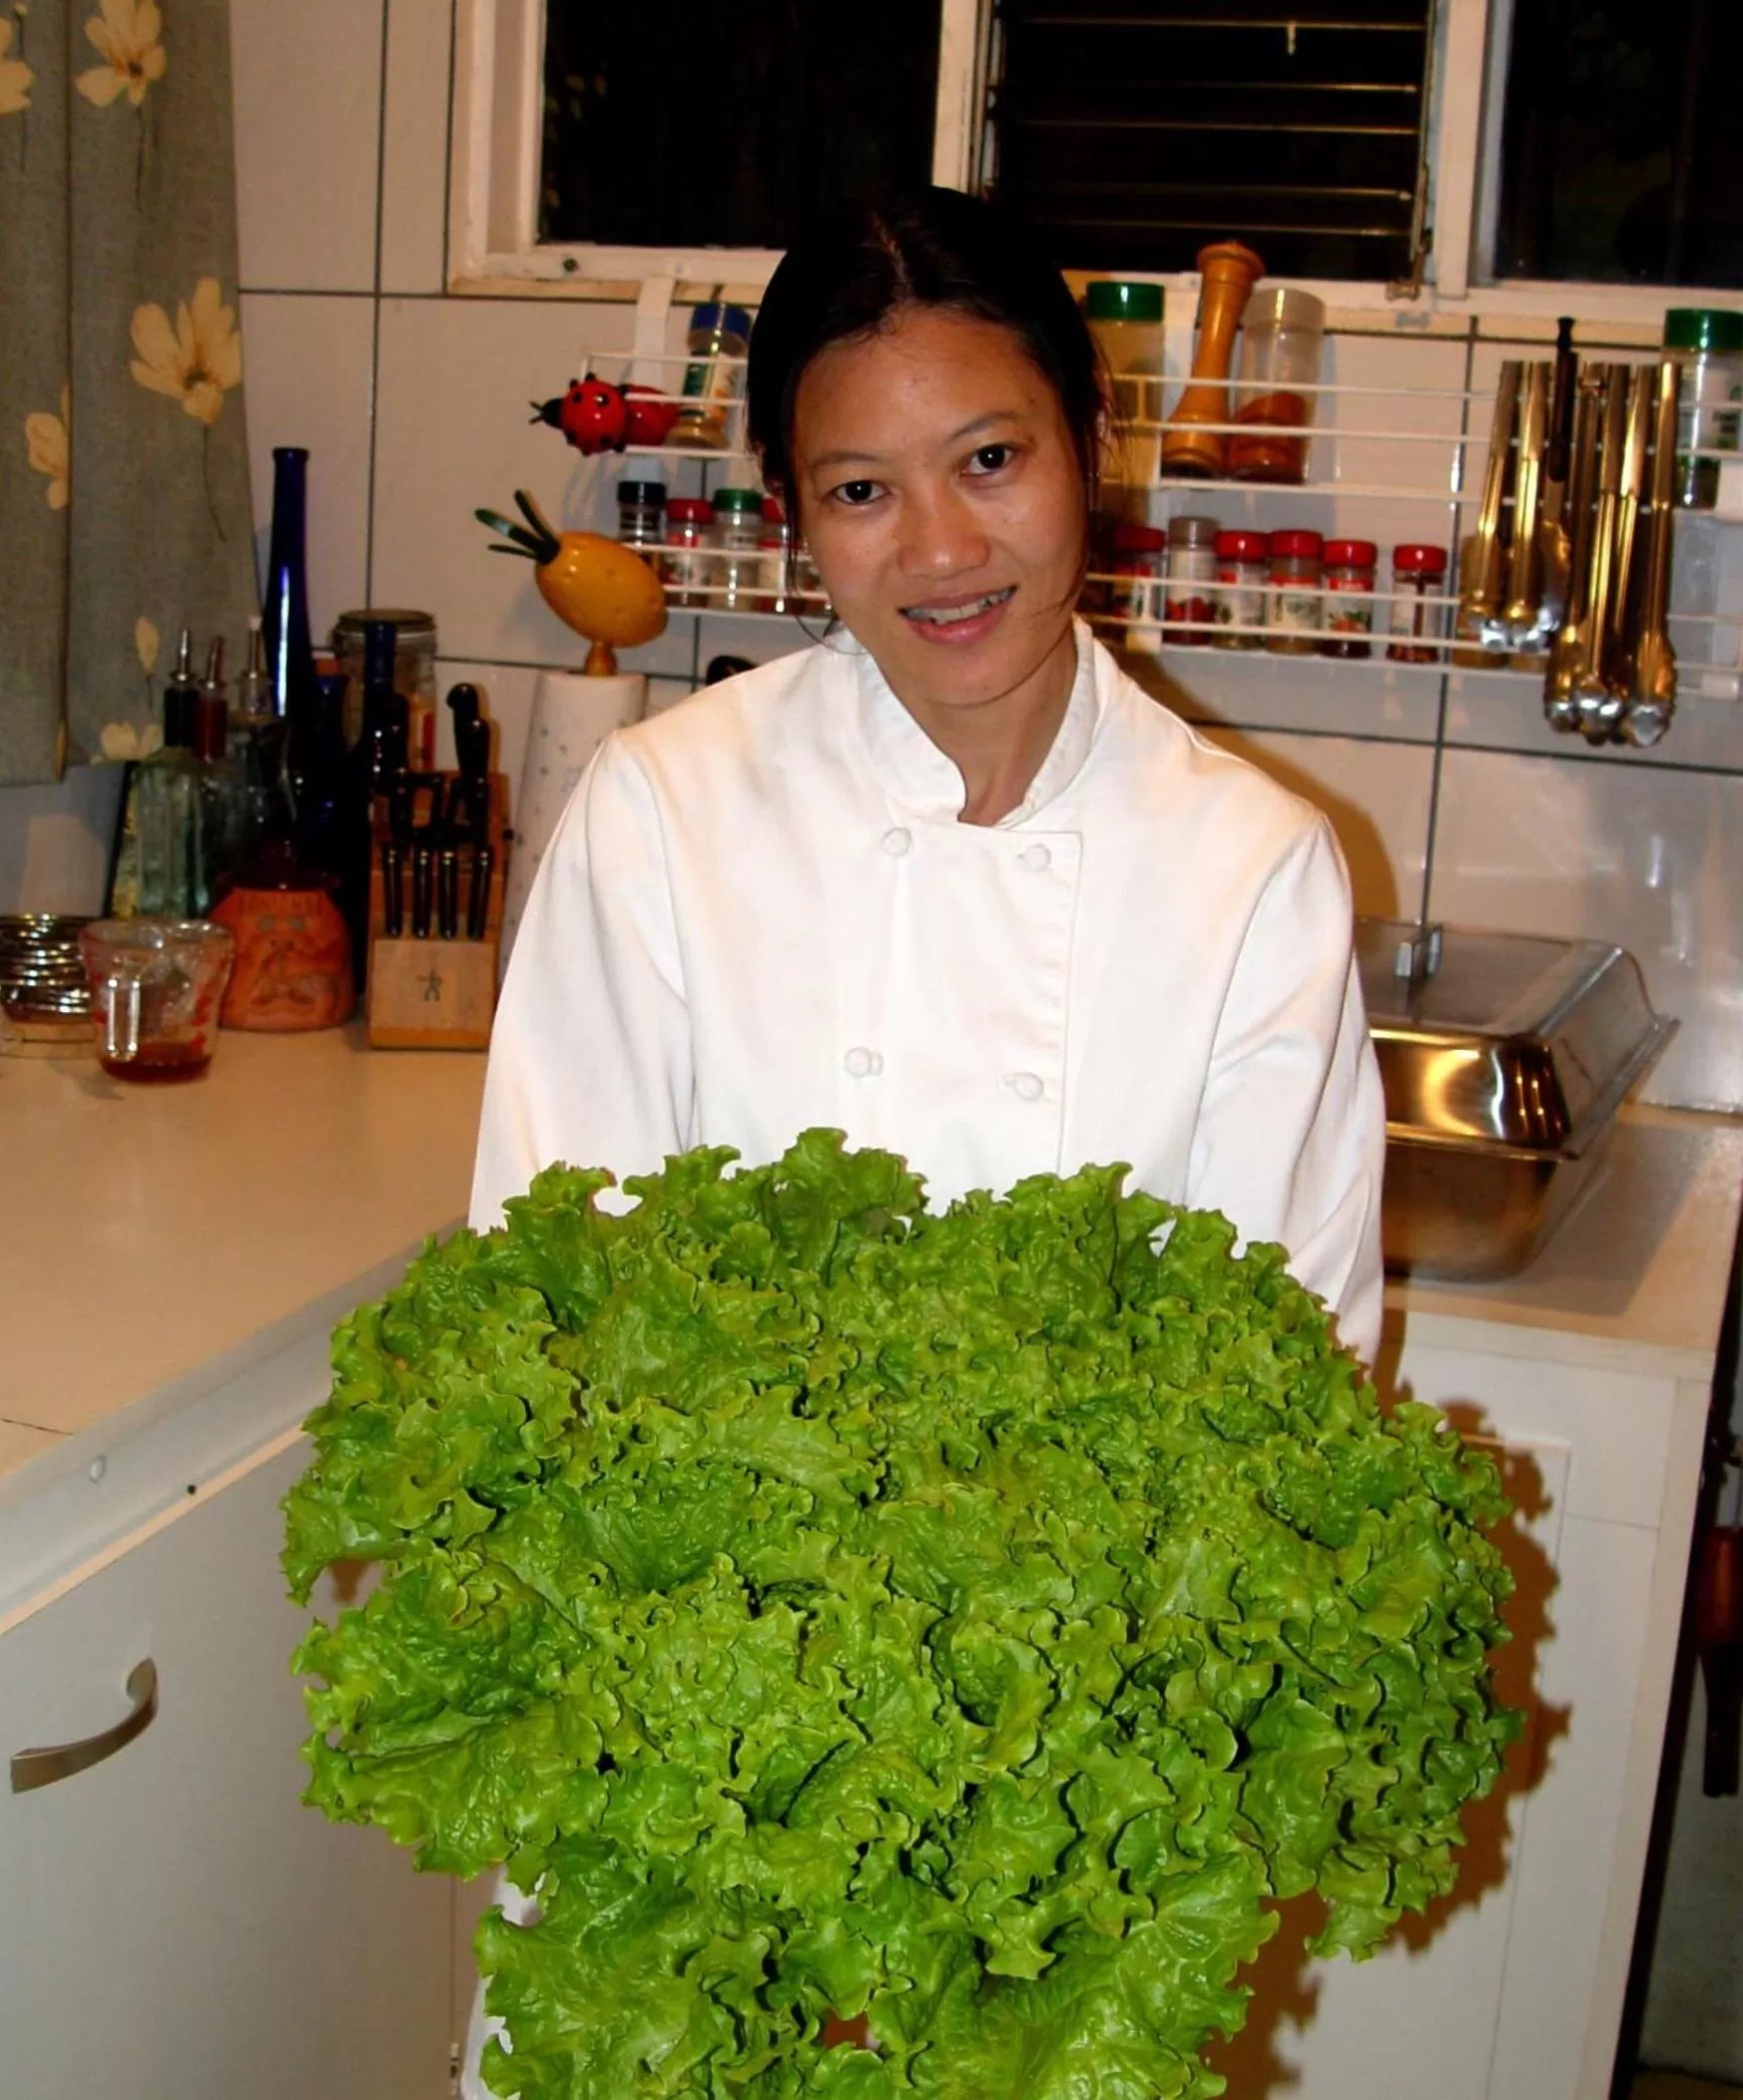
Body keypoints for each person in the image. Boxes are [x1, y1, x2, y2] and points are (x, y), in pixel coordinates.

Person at [460, 190, 1384, 2087]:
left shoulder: (1248, 869)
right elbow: (546, 1340)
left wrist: (1017, 1785)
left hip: (1061, 1824)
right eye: (860, 491)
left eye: (989, 459)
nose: (942, 548)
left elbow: (1277, 1396)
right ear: (792, 518)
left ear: (1086, 450)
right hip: (688, 1796)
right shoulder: (659, 819)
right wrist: (754, 1756)